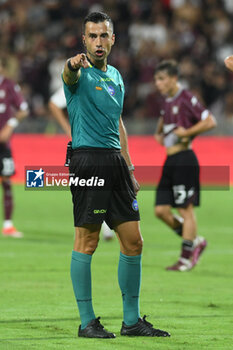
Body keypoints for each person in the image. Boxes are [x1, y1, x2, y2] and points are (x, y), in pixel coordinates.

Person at [62, 12, 170, 338]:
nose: (98, 42)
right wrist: (71, 64)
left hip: (115, 163)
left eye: (103, 36)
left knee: (134, 242)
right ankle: (86, 322)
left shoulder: (117, 77)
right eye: (92, 36)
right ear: (84, 40)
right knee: (88, 240)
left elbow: (118, 124)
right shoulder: (78, 73)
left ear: (113, 39)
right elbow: (66, 75)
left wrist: (130, 166)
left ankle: (132, 321)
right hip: (88, 161)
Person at [153, 59, 216, 272]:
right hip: (170, 160)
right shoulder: (167, 100)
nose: (158, 84)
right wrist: (159, 132)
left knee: (185, 209)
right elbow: (164, 120)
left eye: (161, 79)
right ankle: (195, 240)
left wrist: (187, 133)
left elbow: (210, 121)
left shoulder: (187, 97)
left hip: (185, 160)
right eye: (156, 80)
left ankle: (186, 258)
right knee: (161, 210)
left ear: (173, 79)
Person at [48, 87, 114, 240]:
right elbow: (53, 104)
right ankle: (98, 226)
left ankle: (100, 225)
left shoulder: (107, 78)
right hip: (84, 145)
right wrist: (68, 129)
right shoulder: (76, 82)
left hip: (103, 141)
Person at [0, 57, 29, 238]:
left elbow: (23, 109)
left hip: (3, 145)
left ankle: (8, 225)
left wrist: (10, 125)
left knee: (7, 181)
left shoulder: (9, 85)